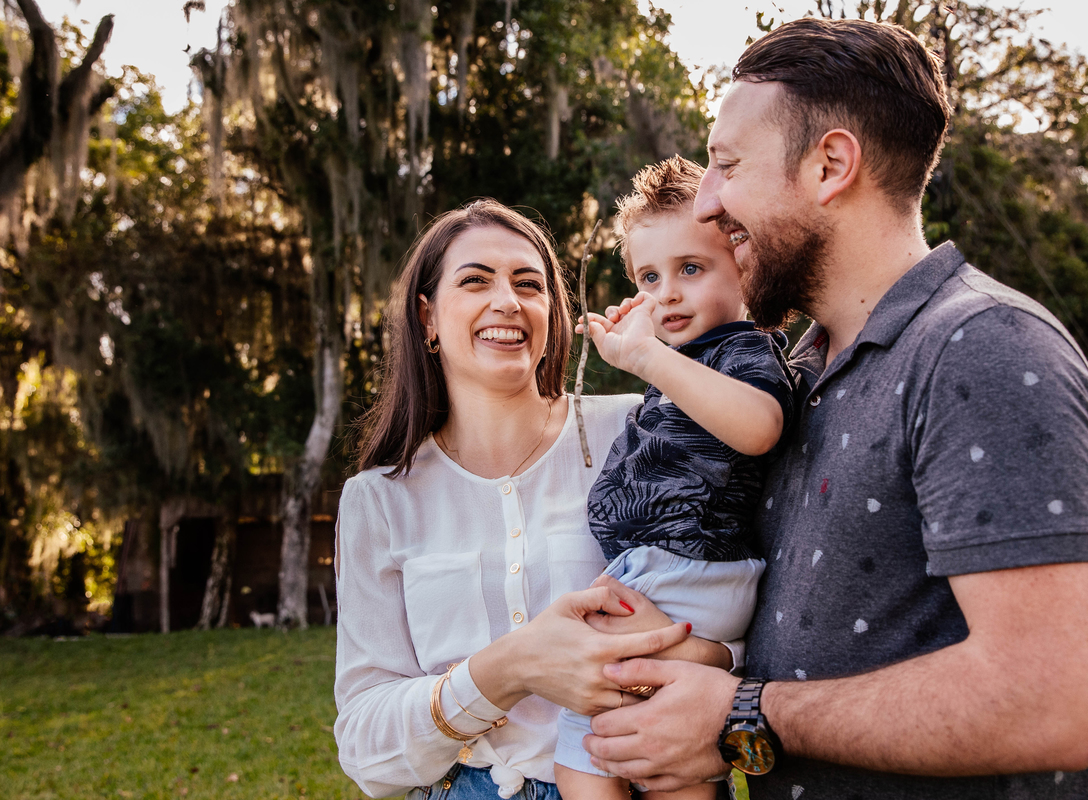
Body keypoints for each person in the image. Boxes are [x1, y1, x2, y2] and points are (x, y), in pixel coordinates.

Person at [581, 17, 1088, 799]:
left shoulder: (981, 348)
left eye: (726, 166)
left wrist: (749, 713)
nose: (709, 202)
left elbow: (1057, 697)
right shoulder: (799, 368)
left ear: (830, 165)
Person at [333, 199, 733, 800]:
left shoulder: (640, 430)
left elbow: (740, 584)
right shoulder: (379, 500)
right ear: (427, 318)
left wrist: (695, 649)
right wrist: (511, 668)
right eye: (475, 281)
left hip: (651, 780)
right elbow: (366, 751)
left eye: (529, 284)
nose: (508, 302)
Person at [553, 156, 793, 800]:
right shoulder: (688, 364)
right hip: (666, 572)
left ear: (744, 266)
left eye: (691, 268)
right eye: (647, 277)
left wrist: (649, 357)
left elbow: (759, 426)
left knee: (586, 747)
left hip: (689, 569)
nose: (667, 294)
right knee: (656, 748)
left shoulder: (744, 348)